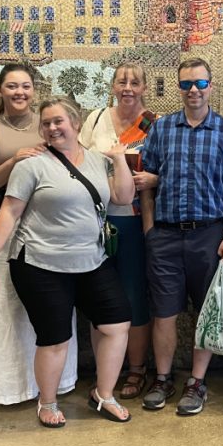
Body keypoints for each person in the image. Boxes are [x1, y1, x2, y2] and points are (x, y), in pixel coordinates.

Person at [0, 97, 134, 428]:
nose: (52, 128)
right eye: (46, 123)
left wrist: (119, 160)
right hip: (40, 265)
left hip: (92, 260)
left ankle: (104, 394)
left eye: (59, 121)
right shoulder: (32, 164)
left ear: (76, 124)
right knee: (55, 337)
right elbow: (9, 212)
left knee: (117, 324)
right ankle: (47, 402)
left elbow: (123, 197)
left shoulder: (97, 161)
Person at [138, 58, 223, 416]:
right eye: (186, 84)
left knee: (207, 312)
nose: (194, 91)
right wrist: (150, 232)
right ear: (179, 88)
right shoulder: (162, 129)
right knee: (164, 314)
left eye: (200, 84)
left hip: (210, 235)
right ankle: (164, 378)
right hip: (166, 236)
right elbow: (147, 183)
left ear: (211, 86)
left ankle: (197, 382)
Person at [0, 63, 78, 406]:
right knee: (7, 306)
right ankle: (9, 386)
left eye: (26, 86)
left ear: (35, 90)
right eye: (12, 86)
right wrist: (15, 159)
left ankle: (54, 382)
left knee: (53, 305)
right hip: (8, 225)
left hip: (52, 225)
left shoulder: (49, 126)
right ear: (0, 90)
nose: (19, 93)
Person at [79, 62, 158, 400]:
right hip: (96, 220)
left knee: (133, 296)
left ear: (144, 88)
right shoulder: (95, 119)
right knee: (100, 295)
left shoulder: (155, 126)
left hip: (135, 220)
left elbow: (167, 168)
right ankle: (105, 371)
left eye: (135, 82)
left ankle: (137, 369)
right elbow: (76, 158)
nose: (128, 87)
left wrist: (154, 180)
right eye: (122, 81)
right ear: (112, 86)